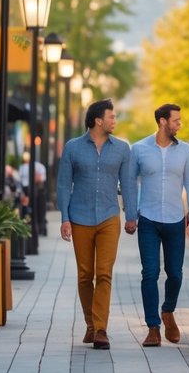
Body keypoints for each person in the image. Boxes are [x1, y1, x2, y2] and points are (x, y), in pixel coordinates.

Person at [57, 98, 137, 350]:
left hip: (109, 217)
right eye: (111, 117)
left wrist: (132, 215)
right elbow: (62, 184)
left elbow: (128, 184)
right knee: (85, 275)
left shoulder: (123, 149)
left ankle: (101, 329)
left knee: (104, 273)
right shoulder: (73, 148)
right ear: (98, 120)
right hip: (79, 217)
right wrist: (64, 218)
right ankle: (90, 324)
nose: (115, 120)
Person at [126, 103, 189, 347]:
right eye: (176, 120)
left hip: (175, 219)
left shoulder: (186, 151)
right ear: (162, 121)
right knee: (149, 273)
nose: (180, 124)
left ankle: (167, 311)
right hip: (147, 219)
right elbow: (129, 183)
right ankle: (153, 327)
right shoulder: (139, 149)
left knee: (175, 274)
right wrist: (130, 214)